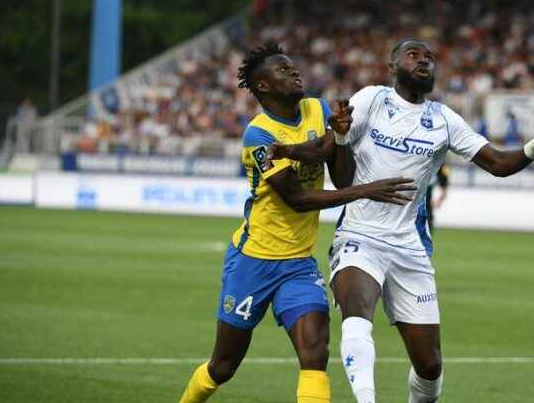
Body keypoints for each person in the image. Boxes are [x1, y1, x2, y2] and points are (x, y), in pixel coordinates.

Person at [275, 40, 534, 403]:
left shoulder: (444, 119)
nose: (424, 60)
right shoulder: (371, 100)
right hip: (360, 234)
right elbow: (344, 179)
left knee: (430, 367)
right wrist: (341, 136)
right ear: (392, 67)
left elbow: (497, 164)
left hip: (409, 246)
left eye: (429, 57)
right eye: (413, 55)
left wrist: (533, 148)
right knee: (357, 314)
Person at [178, 43, 416, 403]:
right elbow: (298, 199)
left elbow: (337, 173)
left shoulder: (316, 109)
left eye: (293, 66)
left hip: (299, 264)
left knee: (315, 354)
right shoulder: (258, 135)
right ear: (263, 87)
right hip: (253, 261)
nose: (294, 72)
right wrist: (368, 190)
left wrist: (340, 136)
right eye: (282, 70)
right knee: (223, 367)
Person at [425, 164, 449, 234]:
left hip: (427, 194)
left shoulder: (441, 165)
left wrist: (440, 199)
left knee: (428, 215)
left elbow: (444, 182)